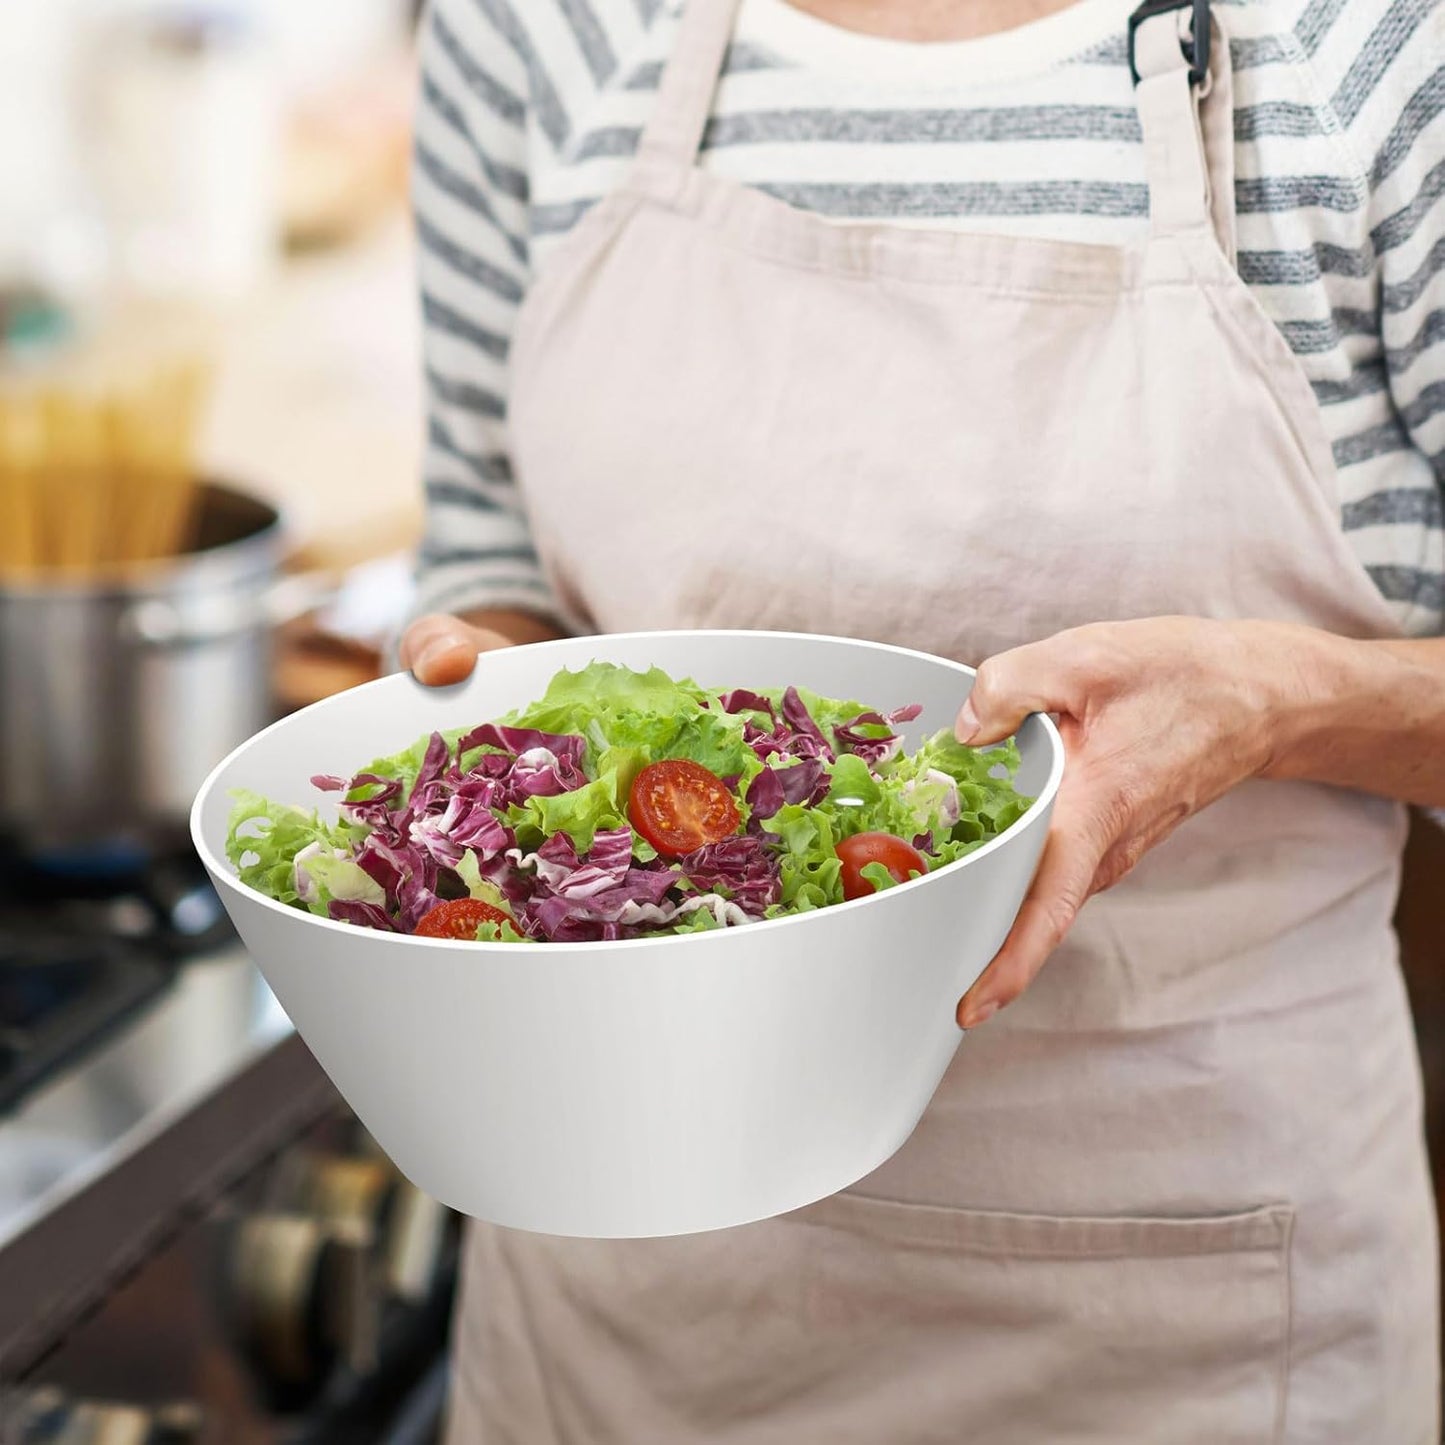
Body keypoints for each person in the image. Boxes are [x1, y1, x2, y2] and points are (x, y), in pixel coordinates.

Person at [399, 0, 1445, 1437]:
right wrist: (488, 688)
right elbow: (488, 545)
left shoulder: (1366, 44)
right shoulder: (533, 27)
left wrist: (1280, 700)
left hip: (1174, 1301)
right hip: (630, 1287)